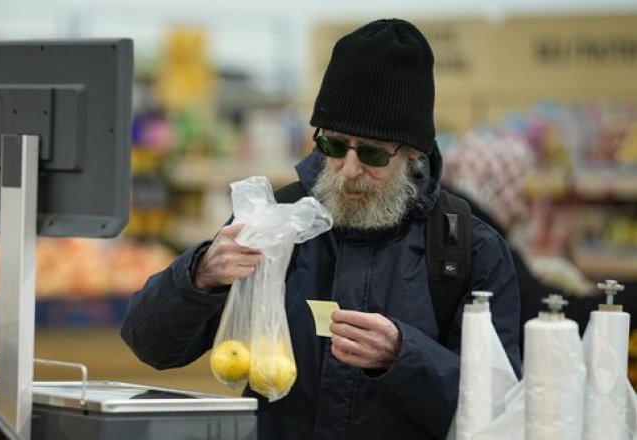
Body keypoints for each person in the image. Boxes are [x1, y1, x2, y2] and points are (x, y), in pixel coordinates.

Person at [121, 19, 522, 440]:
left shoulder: (467, 249)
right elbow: (149, 344)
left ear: (414, 154)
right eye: (333, 145)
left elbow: (499, 408)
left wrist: (404, 357)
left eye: (371, 153)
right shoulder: (274, 222)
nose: (349, 170)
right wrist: (200, 276)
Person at [441, 129, 637, 353]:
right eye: (518, 194)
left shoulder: (453, 226)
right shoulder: (480, 239)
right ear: (491, 185)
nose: (522, 211)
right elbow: (540, 310)